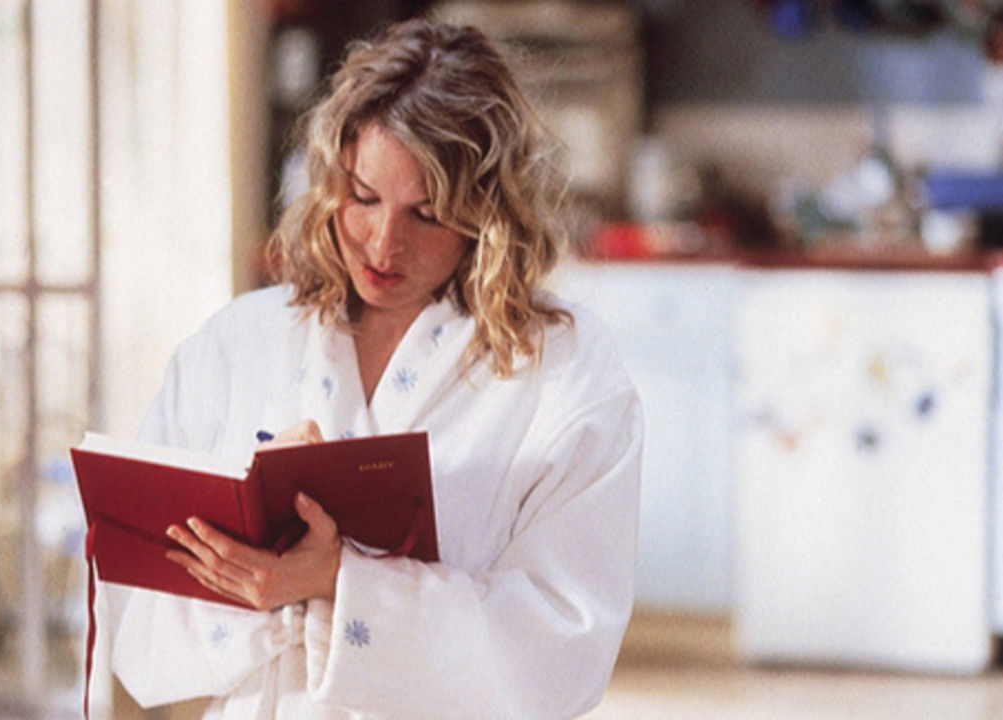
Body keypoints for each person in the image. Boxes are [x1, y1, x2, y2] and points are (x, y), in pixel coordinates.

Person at [101, 18, 642, 720]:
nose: (384, 245)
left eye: (427, 214)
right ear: (331, 181)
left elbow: (563, 649)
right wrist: (262, 580)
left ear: (487, 214)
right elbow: (135, 625)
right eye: (362, 198)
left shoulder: (564, 371)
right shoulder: (236, 344)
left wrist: (338, 582)